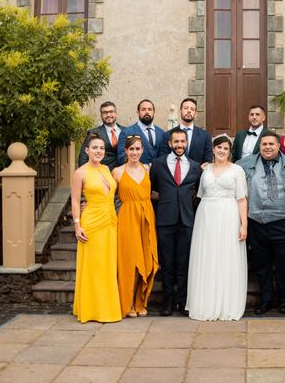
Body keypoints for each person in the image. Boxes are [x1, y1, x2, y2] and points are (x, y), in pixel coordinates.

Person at [237, 132, 285, 314]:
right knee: (262, 266)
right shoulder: (244, 165)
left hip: (283, 223)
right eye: (264, 144)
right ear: (260, 146)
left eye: (271, 144)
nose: (267, 147)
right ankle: (265, 301)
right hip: (257, 222)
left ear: (278, 145)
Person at [186, 135, 248, 321]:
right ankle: (205, 302)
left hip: (229, 215)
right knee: (208, 256)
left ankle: (226, 303)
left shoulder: (237, 170)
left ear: (230, 152)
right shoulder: (205, 170)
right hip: (206, 216)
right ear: (213, 149)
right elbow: (201, 195)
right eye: (218, 147)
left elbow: (242, 199)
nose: (222, 151)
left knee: (226, 256)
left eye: (225, 148)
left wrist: (244, 224)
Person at [70, 133, 122, 323]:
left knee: (107, 266)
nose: (99, 151)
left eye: (101, 148)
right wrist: (77, 225)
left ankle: (107, 307)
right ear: (87, 150)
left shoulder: (107, 169)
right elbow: (75, 201)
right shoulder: (80, 172)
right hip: (91, 222)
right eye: (95, 148)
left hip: (110, 220)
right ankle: (92, 309)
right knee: (94, 267)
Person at [150, 128, 202, 316]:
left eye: (183, 141)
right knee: (167, 262)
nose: (179, 145)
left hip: (187, 220)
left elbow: (199, 192)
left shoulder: (195, 166)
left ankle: (183, 301)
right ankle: (168, 301)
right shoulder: (158, 164)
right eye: (176, 142)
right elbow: (151, 189)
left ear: (186, 143)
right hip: (165, 219)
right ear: (170, 144)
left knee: (184, 262)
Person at [112, 135, 158, 318]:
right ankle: (128, 302)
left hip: (147, 216)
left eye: (138, 149)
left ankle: (141, 301)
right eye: (131, 149)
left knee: (146, 258)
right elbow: (107, 196)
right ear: (125, 151)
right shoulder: (117, 172)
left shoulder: (147, 169)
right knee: (129, 261)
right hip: (127, 217)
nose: (135, 152)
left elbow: (152, 193)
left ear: (142, 150)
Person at [160, 98, 213, 164]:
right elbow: (163, 159)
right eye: (186, 108)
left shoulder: (205, 136)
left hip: (197, 173)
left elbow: (208, 159)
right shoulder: (168, 135)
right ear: (180, 112)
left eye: (192, 109)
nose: (189, 111)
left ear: (195, 114)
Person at [78, 101, 124, 170]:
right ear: (101, 115)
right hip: (102, 174)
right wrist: (87, 175)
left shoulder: (126, 131)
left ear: (116, 113)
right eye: (105, 112)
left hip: (123, 174)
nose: (108, 115)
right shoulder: (94, 133)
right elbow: (83, 157)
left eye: (111, 111)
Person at [118, 99, 165, 165]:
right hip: (135, 174)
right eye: (143, 109)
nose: (147, 112)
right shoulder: (126, 133)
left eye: (150, 109)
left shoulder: (162, 133)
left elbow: (164, 157)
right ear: (138, 112)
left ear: (154, 112)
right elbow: (122, 158)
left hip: (157, 174)